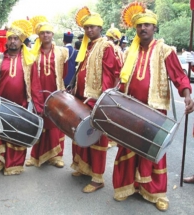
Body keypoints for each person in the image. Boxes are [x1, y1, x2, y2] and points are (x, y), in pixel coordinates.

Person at [112, 2, 194, 211]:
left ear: (154, 28)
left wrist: (187, 95)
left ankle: (155, 192)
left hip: (155, 111)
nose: (143, 28)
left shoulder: (166, 51)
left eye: (148, 25)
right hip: (129, 108)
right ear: (136, 28)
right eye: (140, 25)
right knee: (127, 146)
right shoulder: (129, 52)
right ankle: (126, 186)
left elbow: (179, 77)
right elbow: (121, 79)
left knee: (154, 152)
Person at [0, 19, 44, 178]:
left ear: (21, 41)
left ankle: (13, 165)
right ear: (6, 41)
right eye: (10, 38)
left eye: (16, 38)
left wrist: (39, 107)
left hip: (20, 105)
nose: (12, 41)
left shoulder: (29, 60)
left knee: (17, 134)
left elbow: (35, 85)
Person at [71, 6, 121, 193]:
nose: (89, 30)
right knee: (82, 135)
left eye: (93, 27)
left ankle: (98, 177)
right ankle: (83, 167)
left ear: (100, 28)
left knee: (97, 139)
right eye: (87, 27)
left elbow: (113, 73)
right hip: (81, 98)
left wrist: (103, 100)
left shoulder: (106, 46)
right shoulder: (87, 46)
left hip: (97, 101)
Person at [25, 15, 68, 168]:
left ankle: (57, 156)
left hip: (56, 91)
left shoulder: (62, 52)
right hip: (39, 93)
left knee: (56, 123)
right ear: (39, 35)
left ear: (52, 34)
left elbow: (65, 72)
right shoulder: (32, 53)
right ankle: (35, 156)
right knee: (40, 122)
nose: (46, 35)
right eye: (43, 33)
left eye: (48, 32)